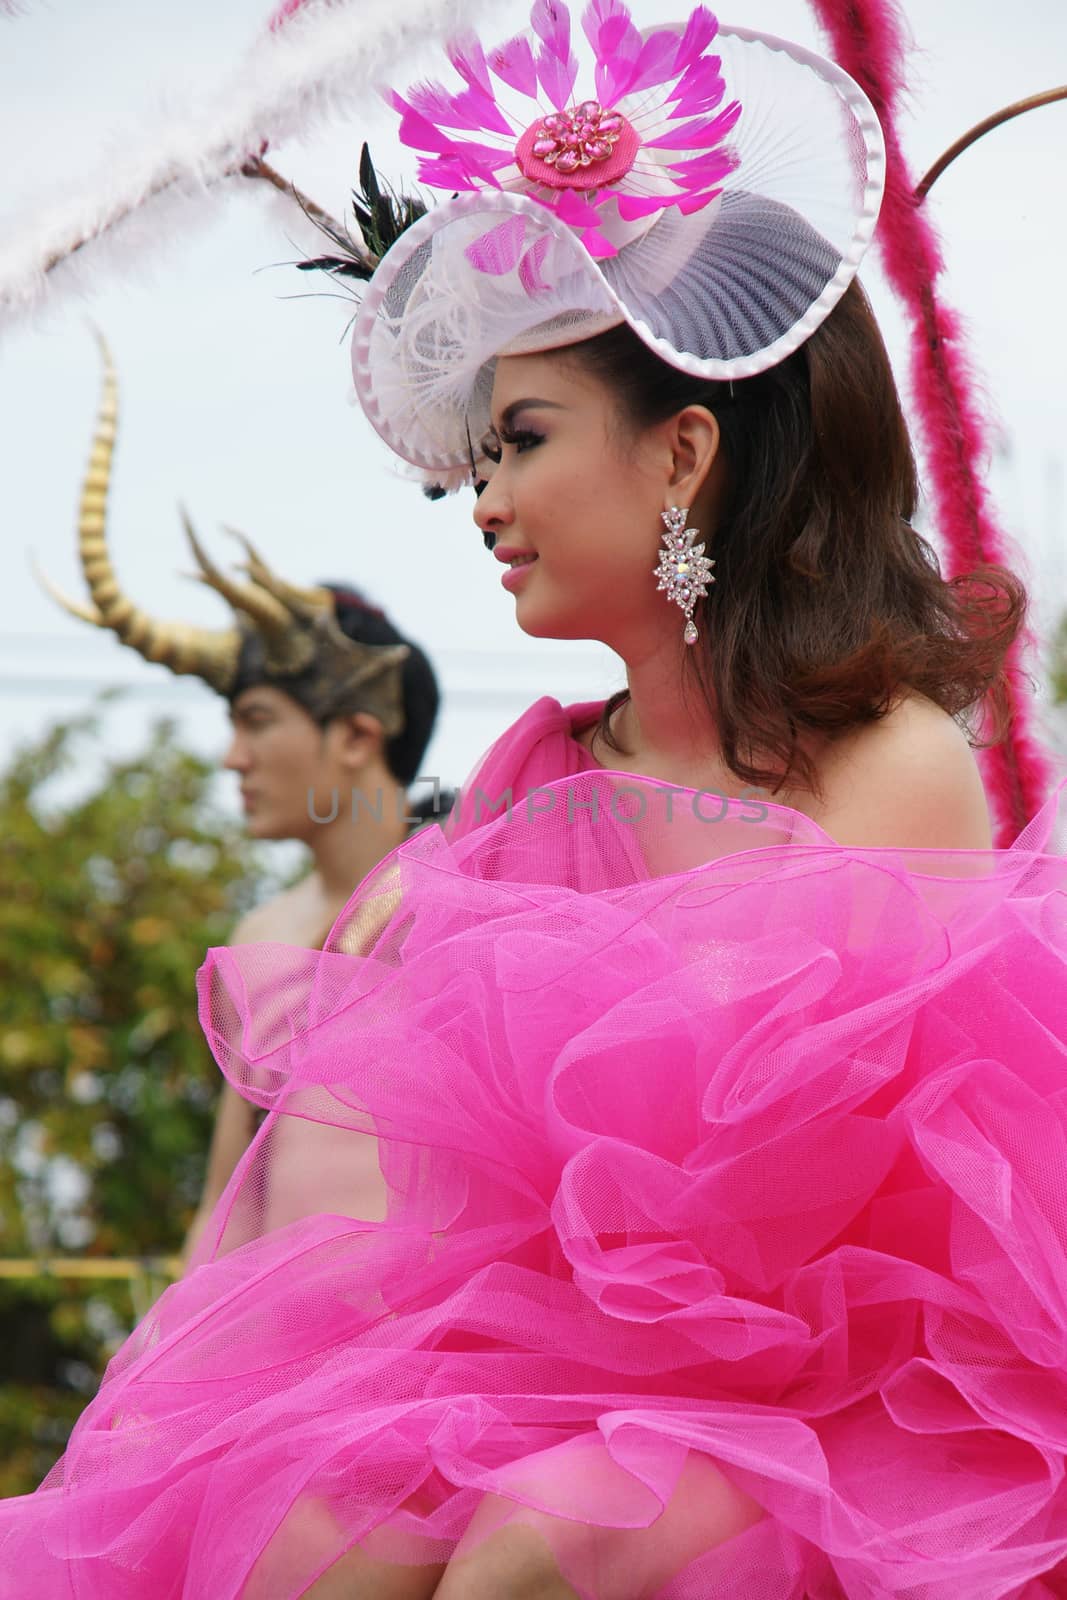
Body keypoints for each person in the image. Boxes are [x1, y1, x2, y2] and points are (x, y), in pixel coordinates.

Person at [5, 7, 1067, 1597]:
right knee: (309, 1536)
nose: (483, 500)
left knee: (531, 1552)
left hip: (847, 1390)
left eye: (518, 441)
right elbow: (444, 1203)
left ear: (680, 452)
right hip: (546, 1368)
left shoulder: (883, 761)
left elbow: (872, 1209)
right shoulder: (537, 775)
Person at [41, 347, 443, 1252]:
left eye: (257, 719)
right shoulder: (262, 937)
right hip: (272, 1366)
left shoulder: (462, 903)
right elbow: (229, 1201)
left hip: (435, 1359)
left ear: (355, 734)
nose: (232, 757)